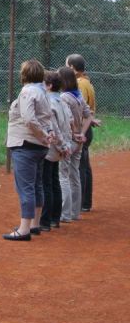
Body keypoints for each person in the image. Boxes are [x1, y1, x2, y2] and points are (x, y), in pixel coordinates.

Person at [3, 59, 53, 241]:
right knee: (37, 185)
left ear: (24, 75)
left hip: (26, 144)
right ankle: (34, 224)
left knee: (25, 188)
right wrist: (48, 134)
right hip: (39, 147)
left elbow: (29, 119)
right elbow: (47, 118)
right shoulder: (43, 92)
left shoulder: (27, 91)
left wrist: (41, 135)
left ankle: (23, 230)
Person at [58, 66, 91, 222]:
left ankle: (65, 214)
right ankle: (75, 213)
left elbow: (69, 119)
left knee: (63, 176)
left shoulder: (64, 97)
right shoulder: (78, 96)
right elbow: (88, 116)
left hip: (69, 140)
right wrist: (82, 134)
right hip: (79, 141)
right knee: (75, 175)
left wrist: (74, 134)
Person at [66, 54, 99, 212]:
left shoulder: (80, 84)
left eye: (67, 65)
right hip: (86, 127)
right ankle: (85, 202)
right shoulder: (87, 82)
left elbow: (79, 109)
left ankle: (81, 203)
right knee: (84, 166)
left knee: (80, 167)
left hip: (81, 130)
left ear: (72, 67)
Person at [40, 70, 71, 231]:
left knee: (47, 183)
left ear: (49, 85)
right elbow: (68, 123)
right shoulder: (62, 101)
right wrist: (65, 145)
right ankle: (55, 218)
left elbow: (54, 127)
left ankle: (46, 220)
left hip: (51, 147)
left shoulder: (49, 103)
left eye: (43, 83)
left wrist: (61, 146)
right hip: (59, 146)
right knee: (54, 181)